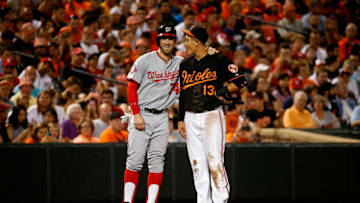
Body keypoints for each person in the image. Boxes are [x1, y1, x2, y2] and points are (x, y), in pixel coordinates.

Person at [178, 25, 248, 203]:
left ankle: (221, 200)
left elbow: (241, 80)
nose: (185, 43)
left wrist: (221, 90)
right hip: (190, 117)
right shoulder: (185, 64)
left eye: (188, 39)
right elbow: (183, 94)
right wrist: (180, 119)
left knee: (215, 161)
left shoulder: (218, 59)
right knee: (197, 165)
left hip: (211, 115)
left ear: (197, 41)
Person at [122, 24, 183, 203]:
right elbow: (131, 87)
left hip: (163, 116)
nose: (167, 41)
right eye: (164, 37)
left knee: (157, 161)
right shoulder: (144, 60)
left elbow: (198, 64)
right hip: (142, 114)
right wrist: (136, 113)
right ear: (158, 40)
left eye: (171, 38)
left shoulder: (180, 63)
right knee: (135, 161)